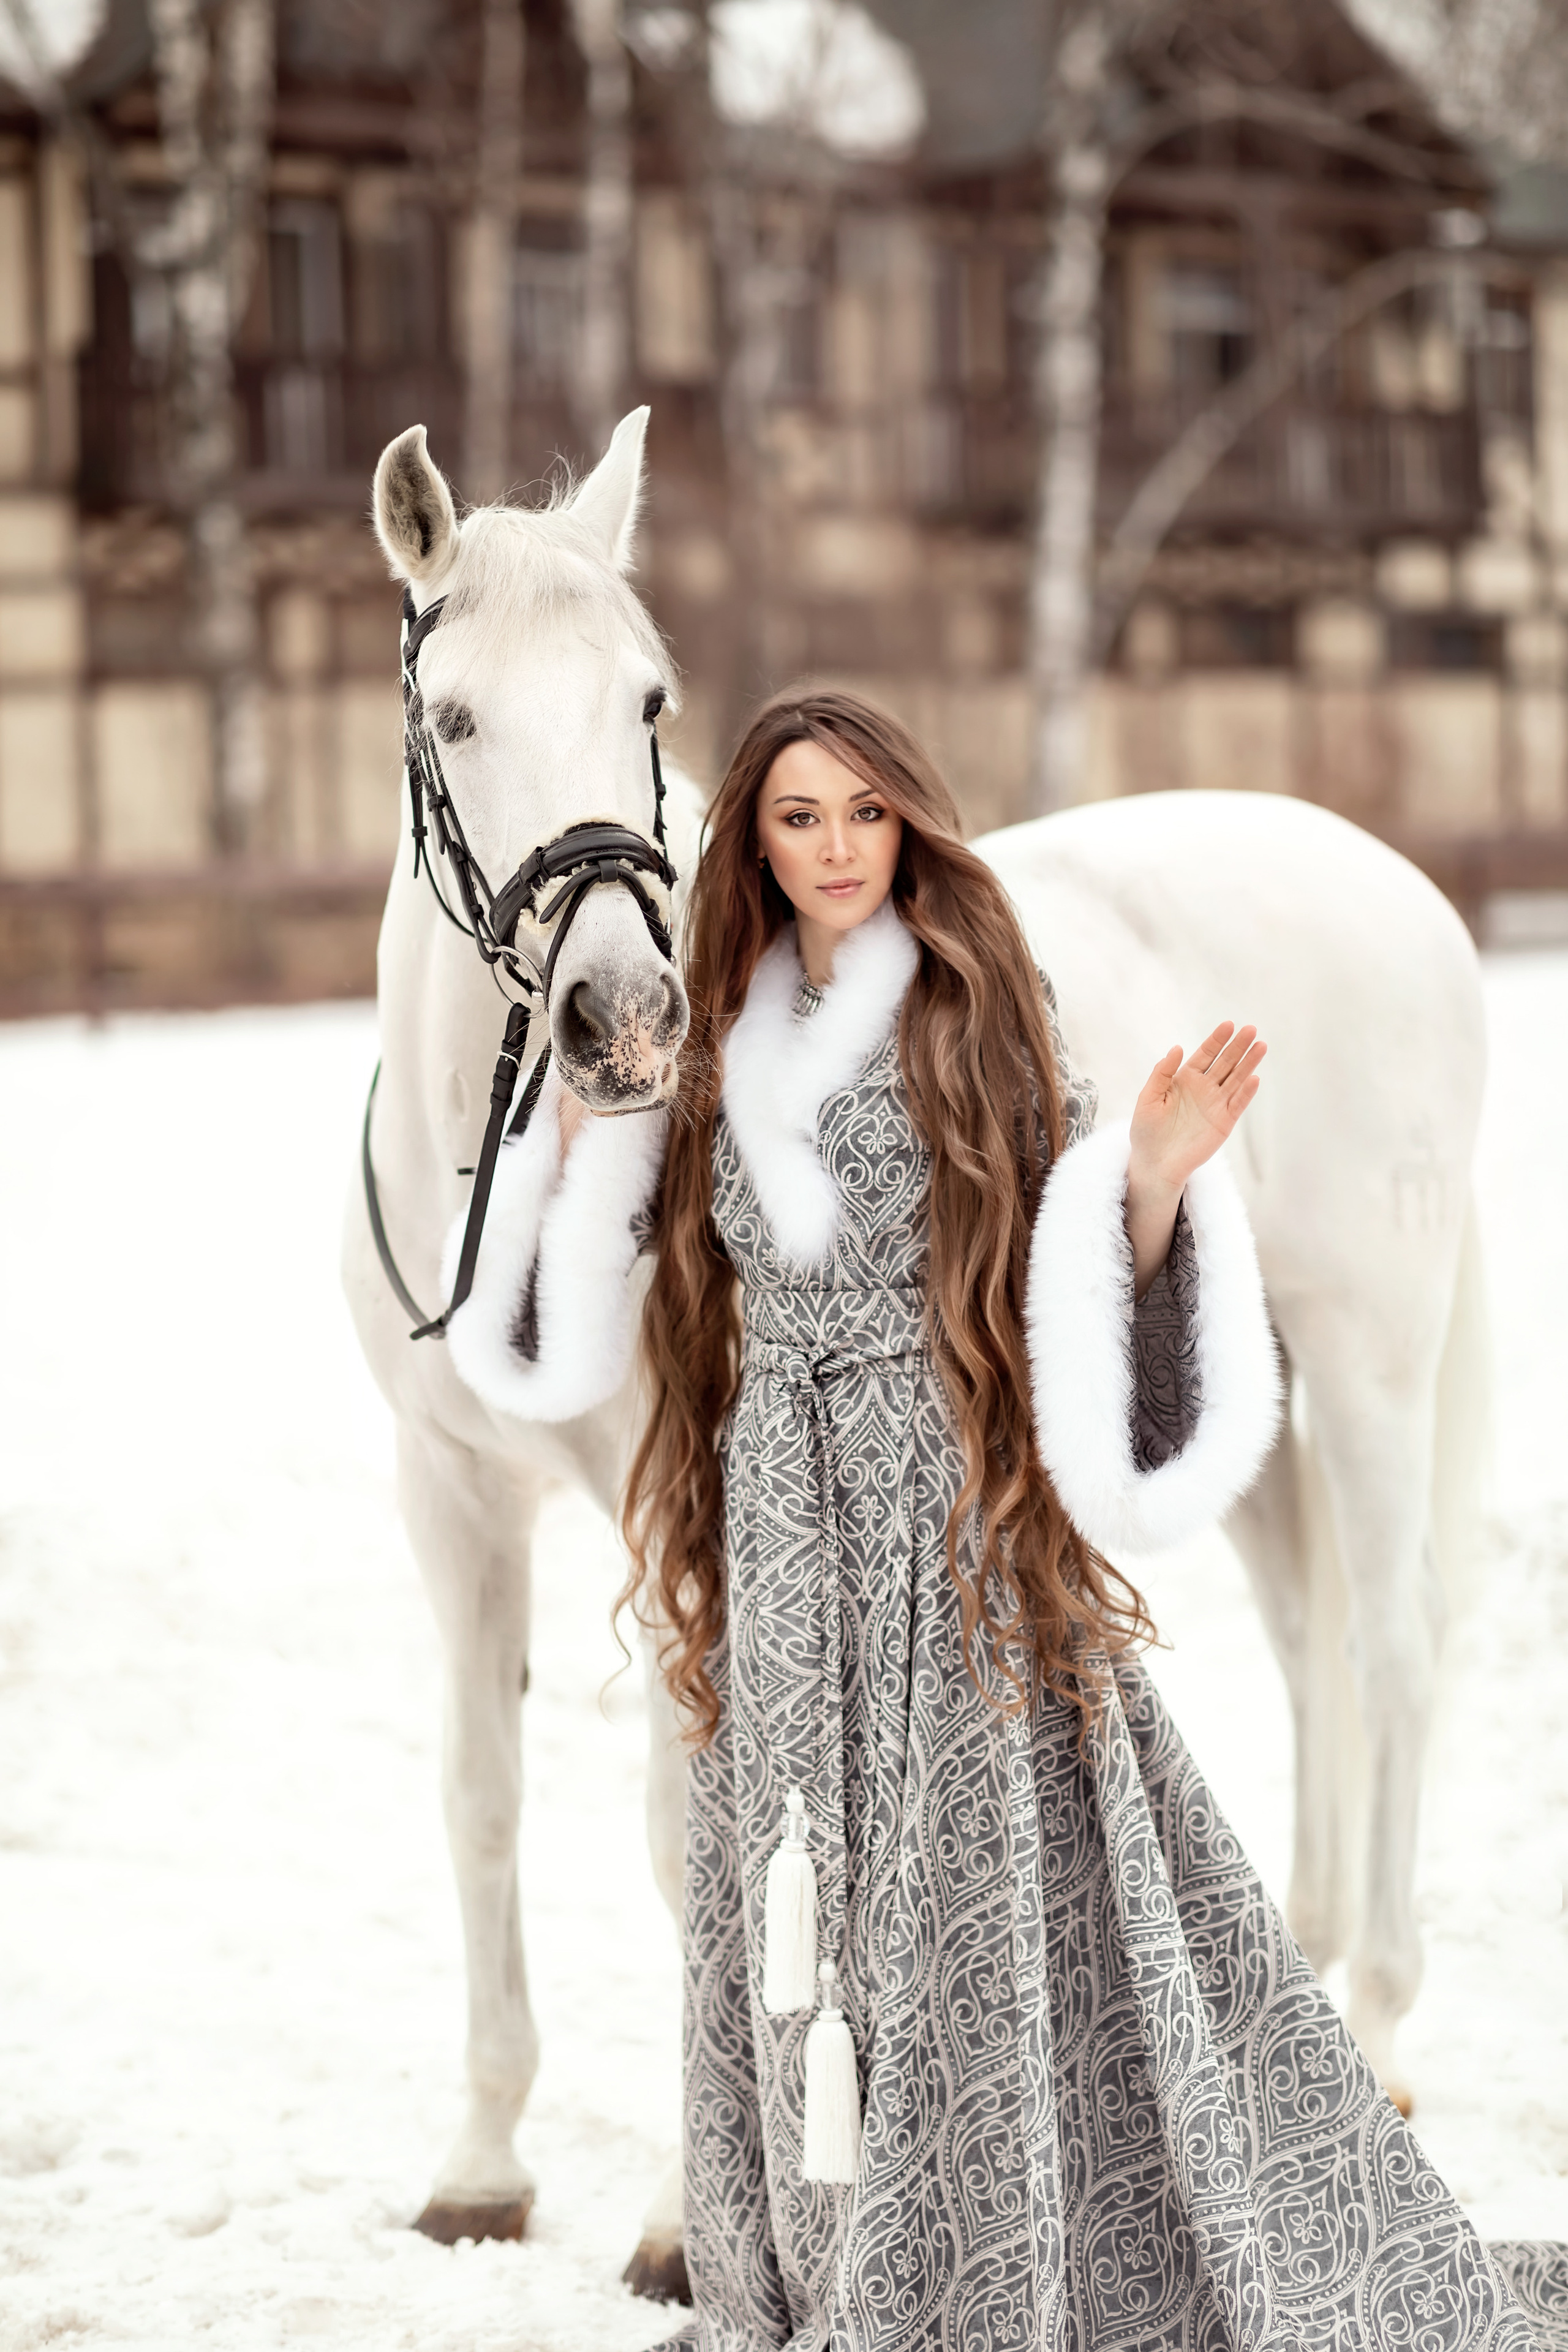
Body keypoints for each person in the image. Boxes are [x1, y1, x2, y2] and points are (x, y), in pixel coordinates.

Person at [443, 690, 1561, 2351]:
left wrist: (1162, 1183)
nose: (834, 851)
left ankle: (989, 2249)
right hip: (782, 1539)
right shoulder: (707, 1037)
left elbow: (1062, 1265)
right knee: (792, 1894)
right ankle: (820, 2256)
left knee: (973, 1892)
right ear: (753, 839)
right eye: (799, 819)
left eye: (865, 816)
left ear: (909, 827)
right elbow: (575, 1327)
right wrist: (580, 1146)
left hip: (949, 1516)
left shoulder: (979, 1005)